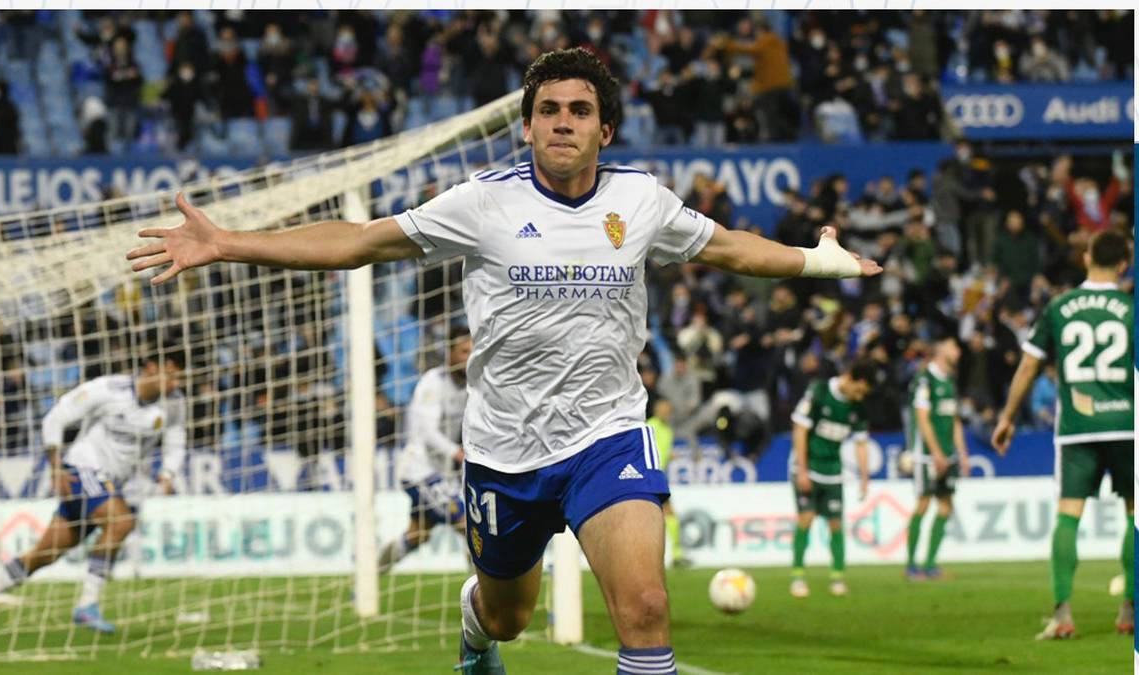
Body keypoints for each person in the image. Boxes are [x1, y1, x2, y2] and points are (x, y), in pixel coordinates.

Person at [127, 47, 880, 675]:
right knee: (508, 616)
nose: (562, 122)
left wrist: (815, 263)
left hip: (606, 436)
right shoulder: (481, 202)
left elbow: (728, 247)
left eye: (579, 110)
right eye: (548, 109)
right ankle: (475, 626)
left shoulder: (642, 202)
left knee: (647, 609)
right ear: (526, 126)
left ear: (605, 129)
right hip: (504, 452)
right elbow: (360, 241)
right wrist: (229, 242)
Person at [0, 351, 186, 638]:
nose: (176, 383)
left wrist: (168, 474)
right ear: (152, 367)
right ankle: (87, 604)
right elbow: (55, 417)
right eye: (173, 374)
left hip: (110, 482)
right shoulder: (108, 389)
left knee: (45, 555)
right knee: (122, 522)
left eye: (179, 377)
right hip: (80, 469)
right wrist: (55, 467)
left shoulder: (175, 404)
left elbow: (176, 441)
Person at [992, 229, 1134, 640]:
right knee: (1135, 514)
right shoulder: (1130, 308)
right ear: (1124, 263)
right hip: (1128, 426)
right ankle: (1129, 611)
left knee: (1068, 515)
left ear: (1086, 257)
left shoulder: (1061, 307)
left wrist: (1007, 416)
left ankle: (1062, 613)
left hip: (1077, 430)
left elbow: (1028, 367)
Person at [378, 328, 472, 572]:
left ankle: (368, 575)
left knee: (418, 535)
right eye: (463, 351)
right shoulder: (433, 383)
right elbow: (428, 432)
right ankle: (486, 600)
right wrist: (458, 453)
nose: (468, 357)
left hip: (441, 474)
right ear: (449, 353)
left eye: (472, 351)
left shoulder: (471, 386)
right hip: (418, 470)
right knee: (470, 527)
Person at [788, 358, 874, 598]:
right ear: (850, 378)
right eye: (859, 389)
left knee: (836, 523)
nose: (860, 396)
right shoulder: (819, 391)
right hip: (808, 467)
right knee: (806, 518)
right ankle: (797, 576)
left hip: (833, 470)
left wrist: (864, 477)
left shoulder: (858, 407)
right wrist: (802, 470)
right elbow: (800, 430)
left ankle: (837, 576)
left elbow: (861, 443)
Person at [903, 336, 968, 581]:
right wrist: (936, 452)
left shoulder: (950, 380)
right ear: (941, 350)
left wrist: (962, 454)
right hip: (926, 456)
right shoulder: (924, 379)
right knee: (923, 503)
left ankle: (930, 564)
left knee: (945, 506)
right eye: (954, 347)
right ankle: (911, 565)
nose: (958, 352)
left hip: (948, 455)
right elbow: (922, 418)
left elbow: (954, 420)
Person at [647, 398, 687, 568]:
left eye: (668, 410)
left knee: (667, 515)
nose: (666, 413)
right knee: (665, 514)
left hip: (658, 477)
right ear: (657, 410)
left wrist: (670, 455)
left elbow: (662, 451)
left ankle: (677, 555)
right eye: (664, 409)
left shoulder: (668, 431)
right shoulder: (649, 426)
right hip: (648, 476)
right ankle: (676, 555)